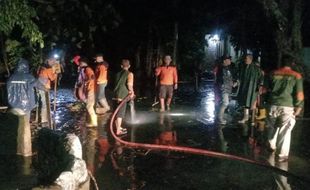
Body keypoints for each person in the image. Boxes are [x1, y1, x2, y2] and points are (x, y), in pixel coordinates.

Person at [266, 55, 304, 162]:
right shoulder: (296, 75)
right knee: (285, 130)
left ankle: (271, 145)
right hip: (287, 106)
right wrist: (299, 106)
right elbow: (299, 93)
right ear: (292, 64)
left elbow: (265, 89)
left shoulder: (273, 73)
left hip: (272, 104)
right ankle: (282, 155)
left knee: (271, 126)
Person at [7, 58, 36, 156]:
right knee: (25, 129)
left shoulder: (11, 78)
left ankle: (19, 150)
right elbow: (40, 85)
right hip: (25, 107)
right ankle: (26, 152)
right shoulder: (29, 77)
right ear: (26, 67)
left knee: (19, 128)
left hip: (14, 107)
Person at [237, 54, 264, 123]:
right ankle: (246, 117)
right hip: (245, 88)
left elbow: (261, 78)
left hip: (253, 89)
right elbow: (241, 77)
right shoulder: (244, 67)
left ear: (250, 59)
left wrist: (260, 86)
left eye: (247, 58)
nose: (245, 60)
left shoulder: (256, 68)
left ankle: (252, 119)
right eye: (245, 59)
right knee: (246, 103)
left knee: (252, 104)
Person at [113, 59, 134, 135]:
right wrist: (132, 92)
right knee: (120, 114)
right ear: (129, 66)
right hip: (122, 96)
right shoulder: (130, 74)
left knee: (116, 112)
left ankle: (118, 127)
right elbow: (129, 85)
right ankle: (118, 130)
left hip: (115, 95)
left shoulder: (117, 74)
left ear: (121, 66)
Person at [215, 55, 238, 124]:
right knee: (225, 103)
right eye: (229, 60)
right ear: (224, 61)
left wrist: (234, 82)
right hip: (224, 88)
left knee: (225, 103)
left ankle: (220, 117)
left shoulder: (227, 68)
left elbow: (230, 77)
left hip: (228, 89)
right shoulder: (221, 68)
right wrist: (222, 86)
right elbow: (219, 79)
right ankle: (220, 118)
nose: (230, 61)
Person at [37, 56, 57, 127]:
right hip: (44, 87)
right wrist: (55, 72)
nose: (54, 63)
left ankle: (43, 118)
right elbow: (52, 78)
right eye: (53, 61)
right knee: (45, 104)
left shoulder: (42, 67)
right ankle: (44, 120)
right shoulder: (48, 68)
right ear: (49, 60)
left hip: (39, 86)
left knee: (43, 103)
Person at [77, 58, 97, 127]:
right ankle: (93, 121)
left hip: (91, 89)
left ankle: (94, 123)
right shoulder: (85, 69)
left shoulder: (87, 69)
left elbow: (92, 77)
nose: (79, 64)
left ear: (82, 63)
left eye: (79, 63)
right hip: (89, 89)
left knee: (89, 106)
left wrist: (85, 82)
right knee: (89, 106)